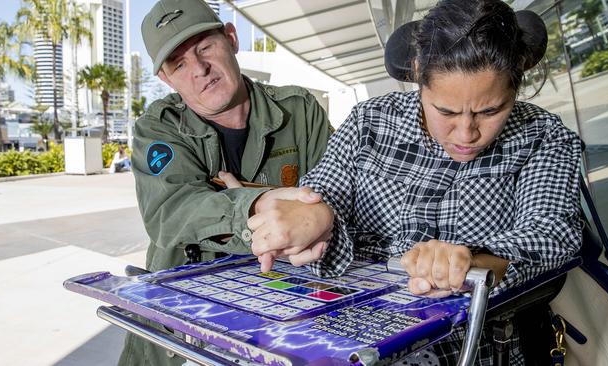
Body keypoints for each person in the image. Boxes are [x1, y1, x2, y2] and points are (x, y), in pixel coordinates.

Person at [247, 0, 583, 364]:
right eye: (446, 111)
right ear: (419, 73)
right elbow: (323, 191)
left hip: (479, 348)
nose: (467, 133)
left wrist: (469, 261)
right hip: (353, 339)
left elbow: (554, 232)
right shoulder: (369, 122)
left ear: (516, 79)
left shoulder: (543, 136)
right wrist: (314, 217)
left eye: (490, 111)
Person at [119, 0, 333, 365]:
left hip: (283, 314)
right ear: (166, 79)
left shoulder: (300, 112)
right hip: (181, 326)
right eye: (179, 63)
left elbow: (336, 196)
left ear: (231, 38)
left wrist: (299, 215)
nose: (199, 69)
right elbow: (171, 212)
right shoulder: (160, 127)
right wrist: (259, 205)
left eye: (205, 47)